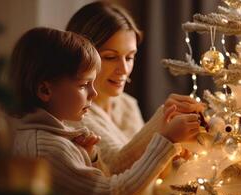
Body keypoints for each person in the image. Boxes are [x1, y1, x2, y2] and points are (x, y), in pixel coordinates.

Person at [9, 27, 201, 195]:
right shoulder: (47, 147)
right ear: (45, 91)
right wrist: (166, 140)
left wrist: (91, 159)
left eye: (130, 57)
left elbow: (95, 188)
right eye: (84, 85)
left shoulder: (57, 136)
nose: (93, 93)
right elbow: (112, 194)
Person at [65, 1, 205, 181]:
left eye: (129, 57)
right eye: (110, 57)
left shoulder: (127, 104)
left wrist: (177, 152)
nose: (123, 69)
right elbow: (115, 171)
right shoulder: (72, 115)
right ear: (82, 56)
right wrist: (162, 120)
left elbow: (148, 171)